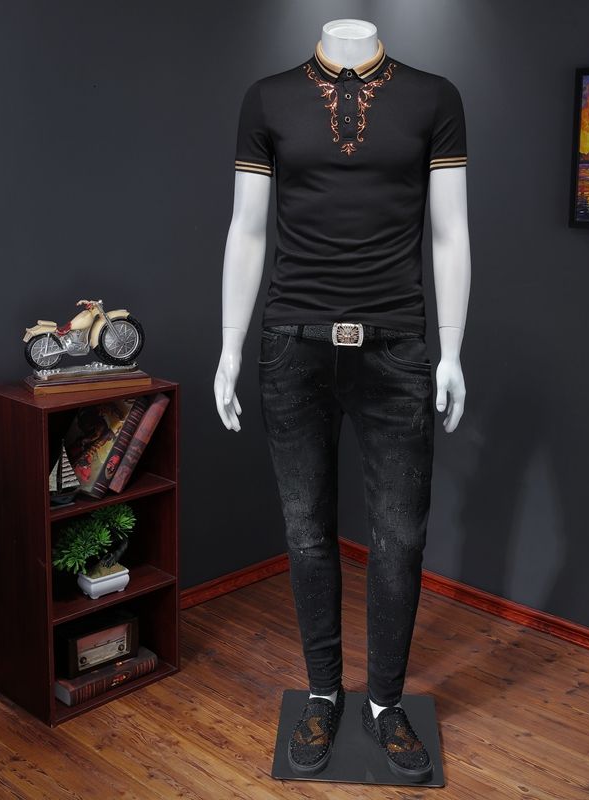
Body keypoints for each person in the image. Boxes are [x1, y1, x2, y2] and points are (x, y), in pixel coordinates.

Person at [216, 18, 471, 783]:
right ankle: (323, 694)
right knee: (306, 534)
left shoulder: (435, 98)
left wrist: (451, 351)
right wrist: (230, 345)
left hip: (397, 348)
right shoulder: (267, 99)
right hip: (293, 345)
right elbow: (247, 230)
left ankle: (385, 703)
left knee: (400, 538)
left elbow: (450, 232)